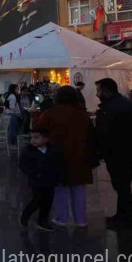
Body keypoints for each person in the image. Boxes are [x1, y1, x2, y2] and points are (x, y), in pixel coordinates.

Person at [34, 86, 93, 228]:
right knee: (79, 189)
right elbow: (92, 137)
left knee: (60, 188)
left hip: (57, 156)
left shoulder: (51, 114)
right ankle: (81, 219)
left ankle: (62, 218)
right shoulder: (83, 115)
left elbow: (38, 129)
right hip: (80, 156)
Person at [94, 78, 132, 232]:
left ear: (105, 90)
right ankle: (122, 215)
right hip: (130, 152)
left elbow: (105, 133)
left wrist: (100, 151)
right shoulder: (125, 104)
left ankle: (127, 219)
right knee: (123, 185)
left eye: (98, 91)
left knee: (122, 186)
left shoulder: (111, 108)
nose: (96, 94)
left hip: (119, 153)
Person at [18, 127, 63, 232]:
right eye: (32, 138)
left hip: (50, 181)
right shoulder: (29, 151)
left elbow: (58, 165)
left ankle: (43, 222)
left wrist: (59, 177)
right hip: (37, 181)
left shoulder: (53, 151)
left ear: (45, 139)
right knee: (37, 200)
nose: (33, 140)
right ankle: (25, 215)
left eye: (36, 137)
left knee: (48, 202)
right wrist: (33, 173)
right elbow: (23, 164)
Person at [3, 84, 21, 148]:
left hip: (8, 114)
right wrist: (17, 112)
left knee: (10, 129)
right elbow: (12, 107)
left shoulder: (8, 95)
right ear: (13, 89)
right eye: (16, 89)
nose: (18, 90)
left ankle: (10, 143)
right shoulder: (13, 96)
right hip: (12, 114)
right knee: (12, 130)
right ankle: (12, 144)